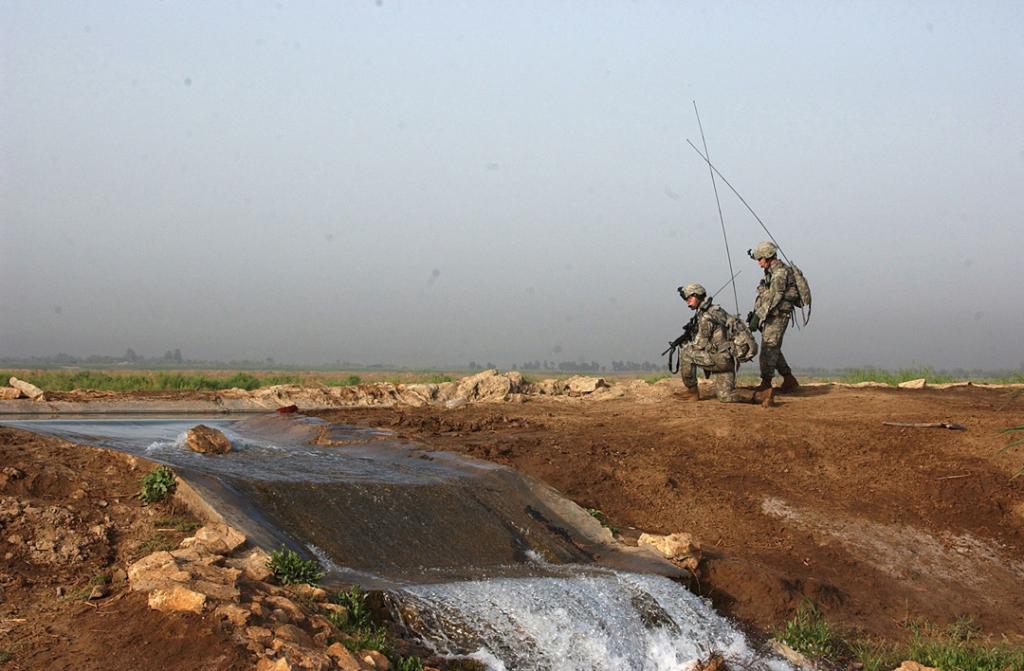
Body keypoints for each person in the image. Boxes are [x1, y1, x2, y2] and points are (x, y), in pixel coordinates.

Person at [677, 283, 774, 406]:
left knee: (686, 352)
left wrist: (687, 343)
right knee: (726, 395)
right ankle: (762, 396)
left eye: (689, 298)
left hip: (719, 359)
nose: (688, 302)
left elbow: (700, 344)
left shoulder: (707, 315)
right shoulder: (713, 311)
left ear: (696, 295)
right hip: (726, 360)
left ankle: (692, 392)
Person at [748, 241, 800, 393]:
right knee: (772, 346)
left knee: (769, 348)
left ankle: (766, 383)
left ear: (768, 256)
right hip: (772, 314)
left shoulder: (779, 274)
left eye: (760, 259)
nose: (759, 263)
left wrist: (759, 316)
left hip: (778, 315)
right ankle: (789, 379)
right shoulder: (772, 272)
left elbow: (774, 298)